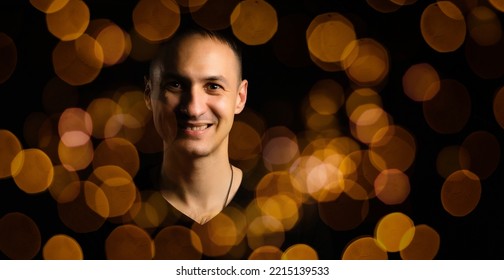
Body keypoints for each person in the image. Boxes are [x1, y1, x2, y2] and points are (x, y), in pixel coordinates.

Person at [144, 25, 248, 225]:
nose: (194, 109)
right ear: (149, 95)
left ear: (240, 97)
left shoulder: (290, 217)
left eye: (213, 87)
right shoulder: (107, 212)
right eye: (175, 85)